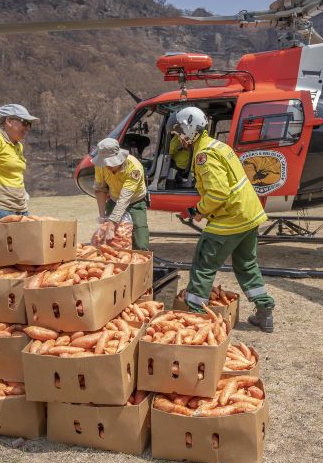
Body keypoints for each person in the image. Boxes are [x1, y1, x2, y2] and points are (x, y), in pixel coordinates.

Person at [171, 106, 275, 332]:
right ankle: (264, 310)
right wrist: (201, 210)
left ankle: (196, 315)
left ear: (190, 129)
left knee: (202, 266)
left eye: (179, 130)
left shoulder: (203, 156)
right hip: (249, 215)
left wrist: (197, 209)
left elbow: (218, 193)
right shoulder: (219, 146)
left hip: (231, 218)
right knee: (246, 264)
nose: (178, 135)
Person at [92, 138, 150, 251]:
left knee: (140, 241)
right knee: (110, 241)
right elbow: (100, 189)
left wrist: (112, 223)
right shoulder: (100, 166)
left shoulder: (134, 167)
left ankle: (140, 265)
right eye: (104, 162)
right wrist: (102, 215)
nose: (107, 166)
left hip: (135, 202)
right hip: (114, 201)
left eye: (110, 162)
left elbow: (125, 198)